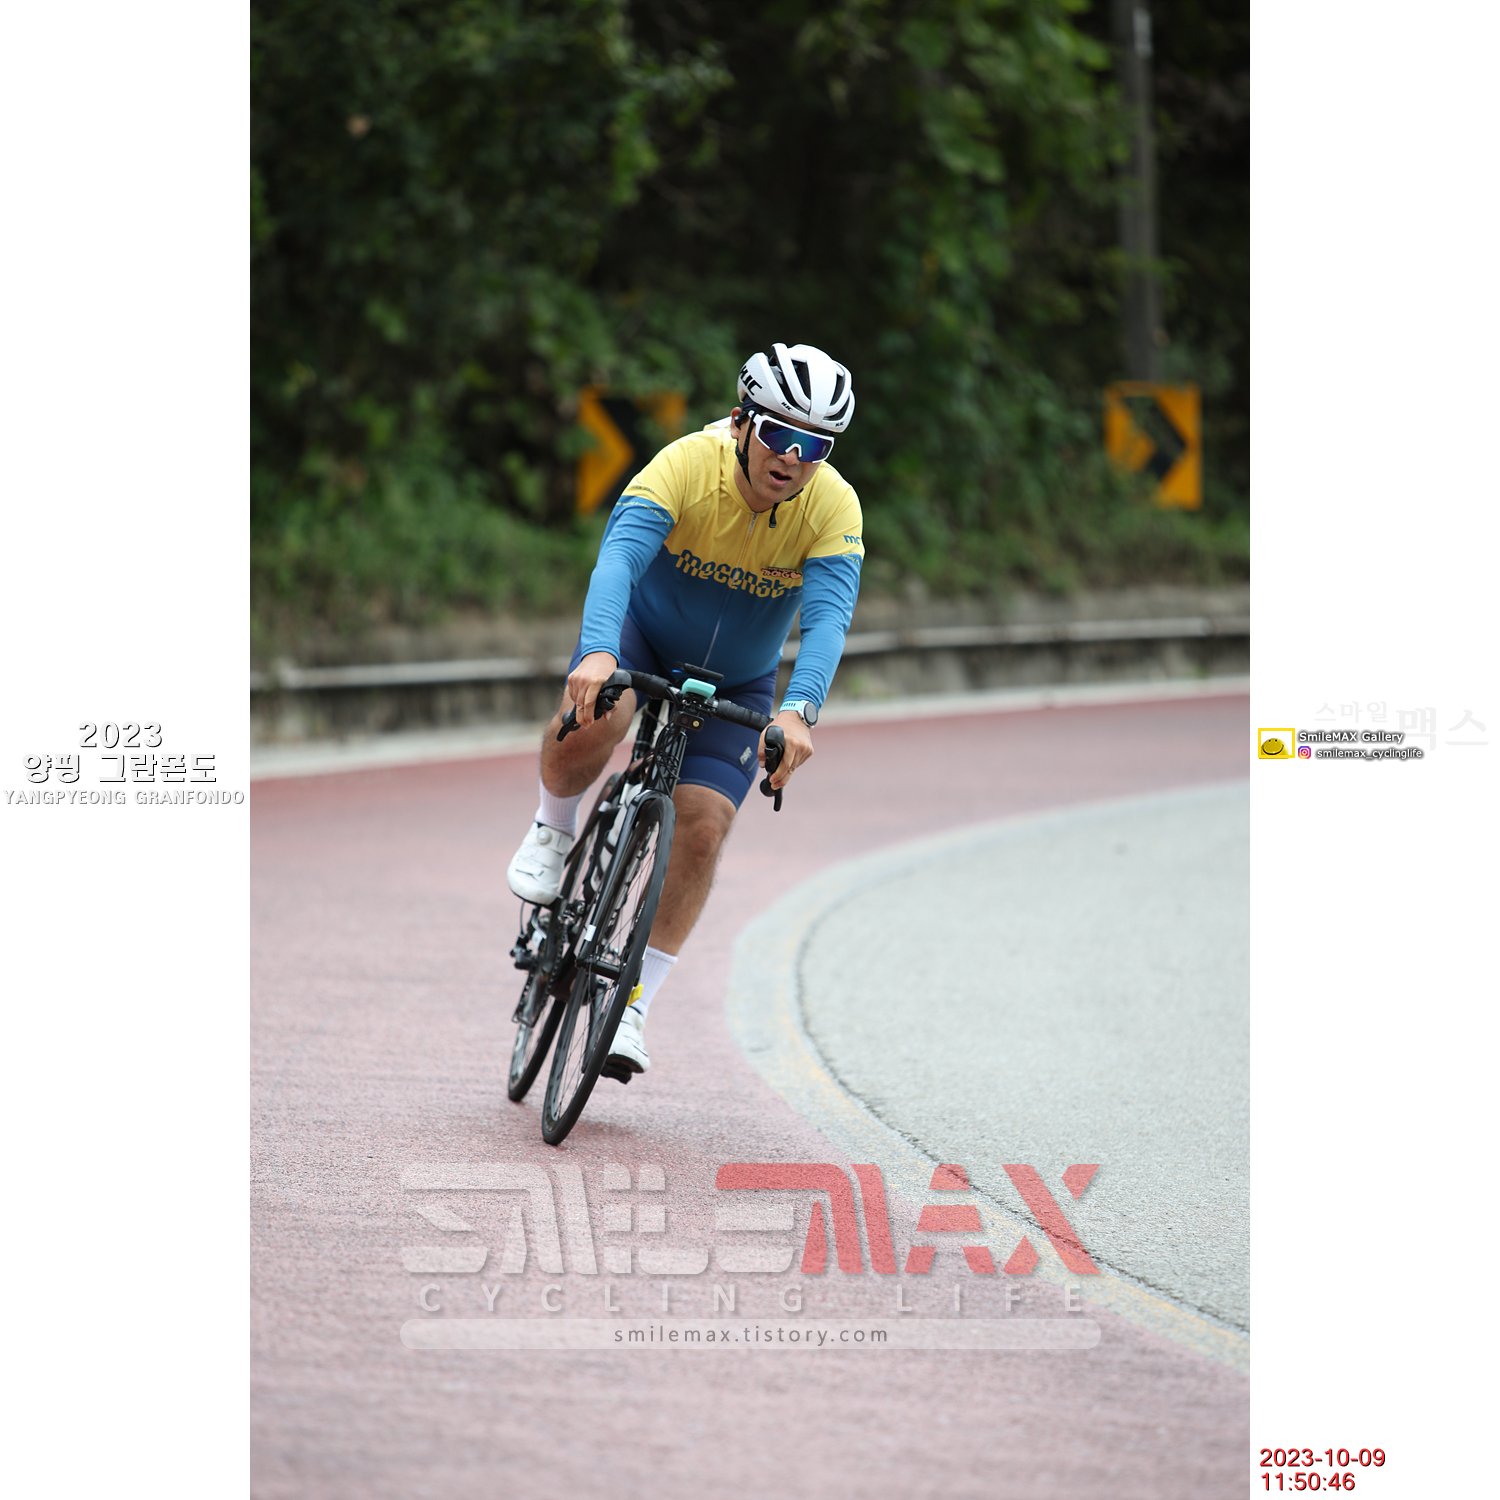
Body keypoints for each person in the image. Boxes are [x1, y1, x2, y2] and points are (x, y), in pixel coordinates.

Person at [506, 343, 863, 1075]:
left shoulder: (834, 506)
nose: (792, 457)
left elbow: (828, 619)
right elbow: (618, 559)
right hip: (640, 637)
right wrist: (598, 651)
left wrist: (801, 709)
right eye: (779, 434)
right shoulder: (686, 464)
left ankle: (632, 1004)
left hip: (740, 678)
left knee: (703, 829)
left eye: (814, 446)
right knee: (598, 714)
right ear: (741, 421)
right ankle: (553, 827)